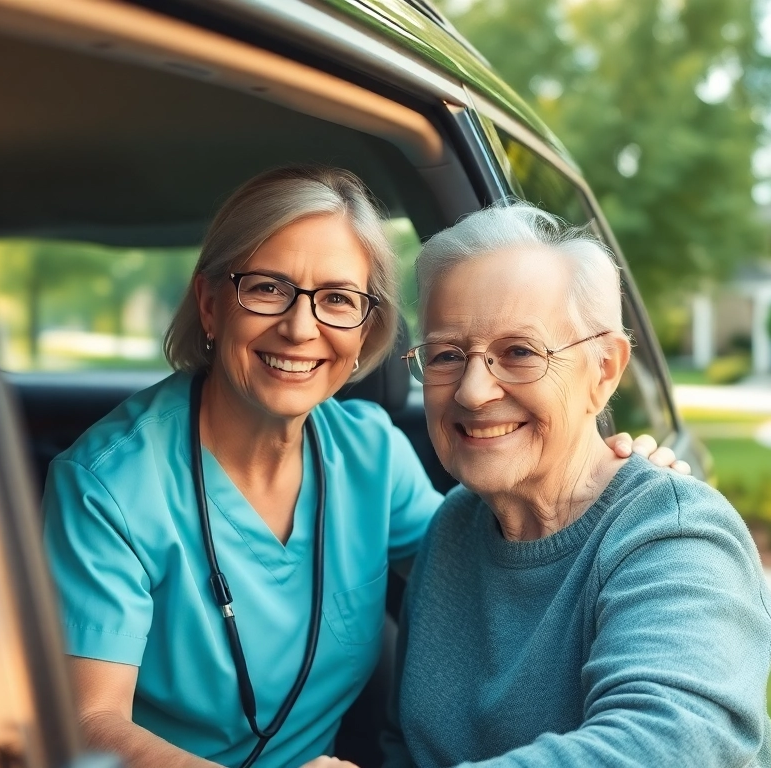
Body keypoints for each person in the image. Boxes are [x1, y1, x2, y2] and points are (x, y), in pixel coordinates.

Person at [43, 167, 684, 768]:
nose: (301, 327)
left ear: (365, 331)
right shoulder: (107, 485)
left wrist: (608, 490)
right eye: (266, 288)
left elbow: (502, 557)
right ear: (211, 305)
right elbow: (86, 722)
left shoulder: (370, 454)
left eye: (337, 299)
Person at [383, 203, 771, 767]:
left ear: (604, 370)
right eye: (447, 355)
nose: (473, 391)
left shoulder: (674, 534)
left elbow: (676, 743)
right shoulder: (453, 525)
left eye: (519, 352)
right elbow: (403, 744)